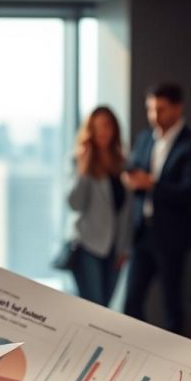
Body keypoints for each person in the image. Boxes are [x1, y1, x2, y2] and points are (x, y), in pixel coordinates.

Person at [121, 83, 191, 337]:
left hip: (172, 235)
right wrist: (133, 181)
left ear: (178, 108)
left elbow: (189, 192)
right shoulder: (144, 138)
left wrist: (151, 184)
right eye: (150, 109)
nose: (154, 116)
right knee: (131, 302)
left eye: (161, 109)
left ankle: (174, 363)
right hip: (142, 232)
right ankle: (140, 355)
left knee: (172, 302)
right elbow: (134, 170)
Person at [66, 106, 131, 307]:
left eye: (107, 125)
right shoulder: (78, 160)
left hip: (115, 247)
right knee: (94, 307)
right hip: (88, 245)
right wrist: (83, 171)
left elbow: (126, 210)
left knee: (106, 307)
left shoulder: (122, 163)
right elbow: (73, 203)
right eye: (97, 127)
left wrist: (124, 247)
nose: (103, 131)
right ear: (90, 131)